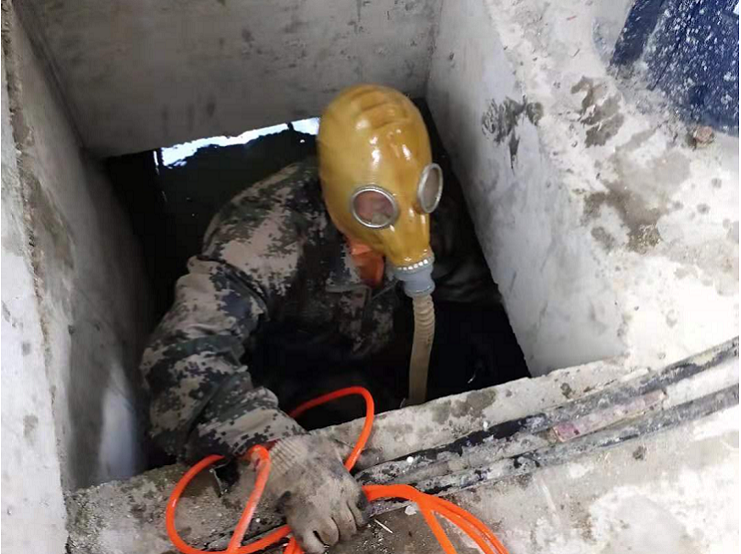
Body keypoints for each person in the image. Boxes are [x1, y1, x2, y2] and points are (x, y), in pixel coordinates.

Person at [140, 84, 501, 552]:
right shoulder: (262, 242)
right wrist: (281, 453)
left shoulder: (428, 211)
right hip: (286, 368)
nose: (409, 221)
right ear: (341, 193)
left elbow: (472, 289)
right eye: (379, 207)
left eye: (420, 193)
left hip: (373, 344)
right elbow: (178, 360)